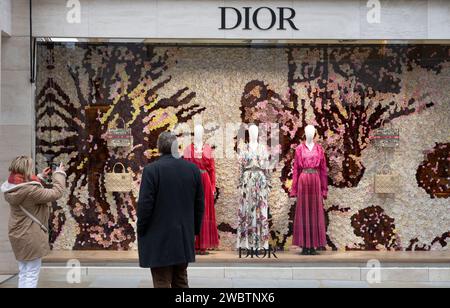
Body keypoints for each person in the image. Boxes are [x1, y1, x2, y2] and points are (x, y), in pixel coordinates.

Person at [137, 132, 205, 288]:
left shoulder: (152, 171)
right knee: (181, 280)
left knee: (161, 281)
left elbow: (145, 206)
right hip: (183, 236)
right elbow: (199, 204)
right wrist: (193, 230)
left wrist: (141, 230)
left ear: (159, 148)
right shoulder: (193, 170)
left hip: (158, 237)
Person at [1, 156, 66, 288]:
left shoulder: (12, 187)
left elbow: (28, 187)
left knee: (24, 271)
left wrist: (40, 177)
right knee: (31, 273)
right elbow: (56, 193)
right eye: (30, 169)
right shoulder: (31, 191)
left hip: (17, 233)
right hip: (30, 235)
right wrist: (59, 174)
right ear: (25, 170)